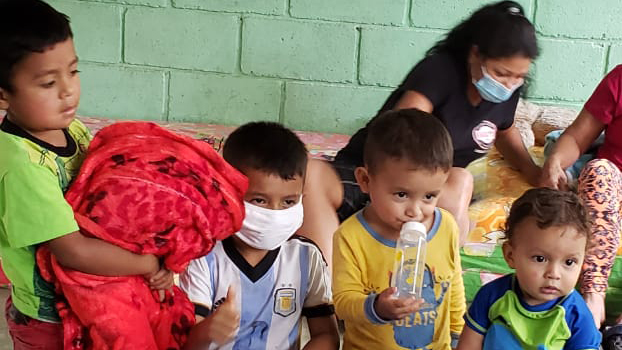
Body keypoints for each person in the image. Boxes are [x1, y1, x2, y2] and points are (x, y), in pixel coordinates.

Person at [299, 0, 541, 268]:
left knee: (460, 179)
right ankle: (328, 285)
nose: (509, 84)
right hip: (378, 179)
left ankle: (423, 275)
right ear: (475, 55)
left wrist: (534, 173)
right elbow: (407, 134)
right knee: (311, 174)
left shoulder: (507, 93)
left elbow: (505, 133)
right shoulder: (439, 72)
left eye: (519, 77)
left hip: (422, 197)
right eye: (502, 73)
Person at [0, 1, 171, 349]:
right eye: (48, 82)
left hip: (91, 296)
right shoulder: (22, 165)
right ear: (3, 93)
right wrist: (146, 262)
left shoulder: (72, 129)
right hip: (49, 319)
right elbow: (72, 251)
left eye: (73, 72)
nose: (68, 90)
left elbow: (110, 191)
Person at [180, 122, 339, 350]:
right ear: (229, 193)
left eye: (289, 202)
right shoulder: (203, 257)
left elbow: (326, 335)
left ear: (303, 197)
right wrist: (208, 331)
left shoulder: (306, 257)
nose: (275, 214)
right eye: (259, 201)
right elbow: (186, 343)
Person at [332, 109, 465, 349]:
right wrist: (376, 307)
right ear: (365, 180)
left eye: (429, 196)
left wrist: (458, 335)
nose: (415, 211)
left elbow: (452, 284)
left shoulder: (446, 226)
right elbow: (342, 302)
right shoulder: (351, 236)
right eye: (401, 194)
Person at [457, 188, 601, 350]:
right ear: (510, 255)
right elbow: (468, 345)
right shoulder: (492, 296)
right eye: (540, 259)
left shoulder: (577, 315)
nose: (553, 274)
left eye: (569, 262)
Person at [540, 65, 622, 345]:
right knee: (598, 170)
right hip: (613, 180)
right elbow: (576, 137)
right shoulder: (620, 79)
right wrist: (555, 162)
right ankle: (593, 293)